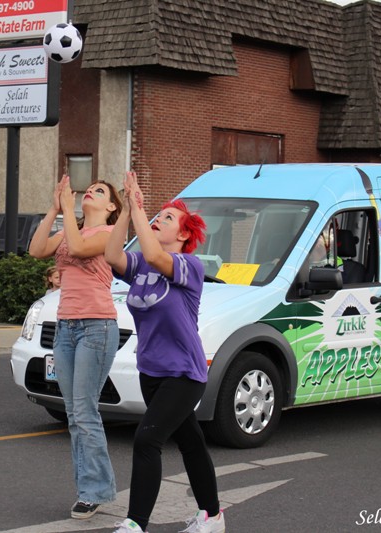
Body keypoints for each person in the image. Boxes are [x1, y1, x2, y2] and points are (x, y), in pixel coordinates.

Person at [105, 171, 224, 533]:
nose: (158, 219)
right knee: (190, 442)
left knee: (147, 439)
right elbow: (112, 253)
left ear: (184, 234)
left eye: (167, 218)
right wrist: (128, 208)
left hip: (184, 374)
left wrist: (140, 205)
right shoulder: (140, 266)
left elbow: (157, 255)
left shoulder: (190, 267)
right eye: (157, 215)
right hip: (151, 371)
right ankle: (213, 516)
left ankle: (135, 524)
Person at [29, 175, 122, 520]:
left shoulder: (109, 234)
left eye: (100, 191)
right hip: (66, 328)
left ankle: (94, 491)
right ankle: (93, 488)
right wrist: (54, 208)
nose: (90, 193)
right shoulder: (71, 228)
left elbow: (81, 250)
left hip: (97, 326)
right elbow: (37, 250)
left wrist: (68, 210)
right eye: (89, 190)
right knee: (75, 414)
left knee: (84, 412)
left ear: (111, 207)